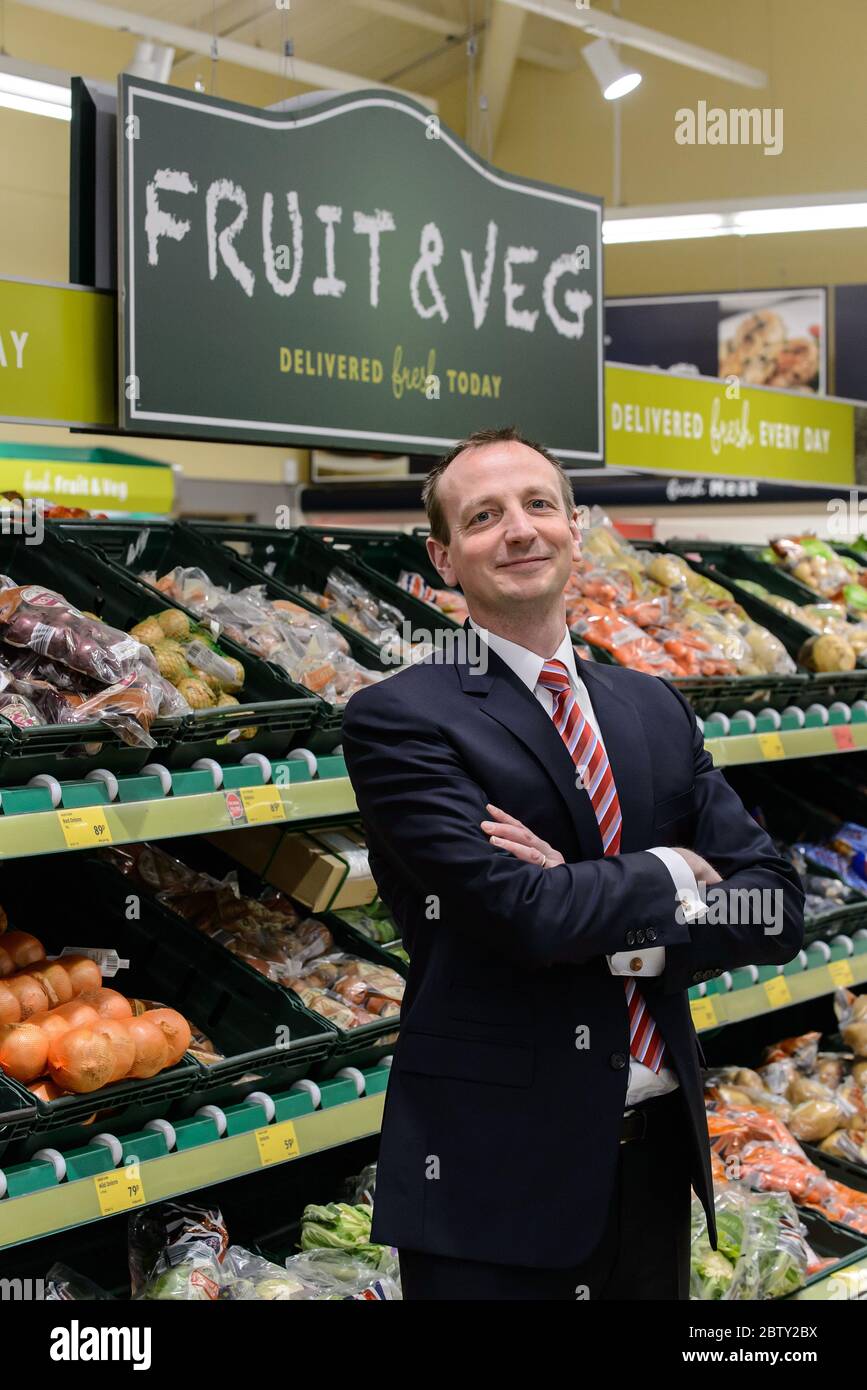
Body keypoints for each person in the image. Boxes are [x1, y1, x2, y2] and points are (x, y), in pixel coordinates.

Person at [341, 426, 804, 1301]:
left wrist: (618, 924)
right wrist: (671, 866)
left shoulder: (652, 707)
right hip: (495, 1179)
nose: (518, 530)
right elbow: (522, 914)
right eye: (483, 517)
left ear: (575, 528)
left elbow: (773, 906)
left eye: (538, 505)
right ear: (444, 558)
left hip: (658, 1162)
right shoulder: (401, 718)